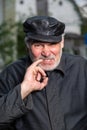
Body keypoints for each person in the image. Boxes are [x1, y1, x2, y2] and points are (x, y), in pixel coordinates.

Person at [0, 16, 87, 130]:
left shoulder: (81, 67)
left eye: (52, 44)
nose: (46, 52)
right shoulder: (10, 74)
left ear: (62, 43)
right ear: (28, 45)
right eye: (38, 45)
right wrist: (24, 89)